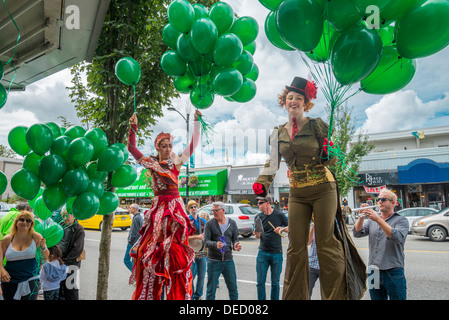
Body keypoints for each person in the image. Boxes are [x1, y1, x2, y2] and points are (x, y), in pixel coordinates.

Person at [253, 76, 366, 300]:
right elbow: (272, 163)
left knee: (325, 242)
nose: (293, 101)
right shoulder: (278, 133)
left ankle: (335, 297)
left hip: (323, 187)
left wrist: (328, 153)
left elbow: (332, 159)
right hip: (297, 192)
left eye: (298, 98)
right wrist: (262, 182)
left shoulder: (317, 125)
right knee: (296, 246)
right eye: (289, 98)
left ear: (306, 103)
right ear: (284, 102)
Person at [127, 109, 202, 300]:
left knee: (175, 249)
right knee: (150, 249)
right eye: (164, 146)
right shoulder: (151, 164)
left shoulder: (176, 163)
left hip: (174, 209)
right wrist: (133, 127)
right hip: (158, 209)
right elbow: (131, 148)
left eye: (170, 145)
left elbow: (192, 145)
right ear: (158, 148)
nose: (168, 149)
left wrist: (196, 123)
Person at [353, 189, 409, 300]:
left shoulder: (401, 220)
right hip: (373, 270)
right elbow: (357, 233)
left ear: (393, 203)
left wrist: (378, 219)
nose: (379, 202)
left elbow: (397, 237)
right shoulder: (372, 219)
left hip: (393, 270)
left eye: (383, 199)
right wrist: (361, 217)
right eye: (378, 199)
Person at [0, 211, 49, 300]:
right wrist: (2, 269)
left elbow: (45, 257)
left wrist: (43, 247)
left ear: (32, 223)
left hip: (31, 279)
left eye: (28, 220)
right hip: (9, 280)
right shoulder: (7, 239)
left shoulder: (36, 237)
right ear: (16, 223)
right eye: (21, 219)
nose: (24, 222)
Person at [204, 202, 241, 300]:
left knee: (233, 288)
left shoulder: (232, 223)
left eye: (216, 210)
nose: (214, 213)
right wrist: (215, 244)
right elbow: (206, 242)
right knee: (211, 290)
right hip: (213, 261)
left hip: (228, 261)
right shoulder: (209, 224)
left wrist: (236, 245)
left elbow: (235, 238)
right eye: (213, 210)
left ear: (223, 210)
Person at [253, 195, 288, 300]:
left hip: (277, 253)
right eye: (258, 203)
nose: (258, 205)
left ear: (268, 203)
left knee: (275, 283)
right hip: (262, 252)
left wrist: (282, 229)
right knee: (260, 283)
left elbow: (290, 228)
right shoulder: (258, 217)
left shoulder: (279, 215)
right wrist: (256, 234)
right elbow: (257, 235)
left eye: (260, 203)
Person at [58, 207, 85, 300]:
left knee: (71, 291)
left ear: (73, 215)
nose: (65, 218)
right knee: (59, 290)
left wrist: (65, 261)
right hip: (59, 263)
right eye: (63, 215)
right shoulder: (60, 226)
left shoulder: (79, 229)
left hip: (71, 265)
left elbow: (77, 249)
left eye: (67, 215)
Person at [187, 200, 207, 300]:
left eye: (195, 206)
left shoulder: (202, 221)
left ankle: (198, 295)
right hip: (191, 252)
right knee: (191, 275)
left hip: (201, 251)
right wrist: (197, 237)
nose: (194, 208)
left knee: (202, 275)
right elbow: (184, 237)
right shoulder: (186, 221)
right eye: (191, 207)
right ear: (188, 209)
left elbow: (208, 234)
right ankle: (190, 295)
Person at [124, 203, 143, 272]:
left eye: (130, 208)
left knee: (126, 260)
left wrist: (130, 241)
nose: (129, 209)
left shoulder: (136, 218)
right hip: (137, 242)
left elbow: (134, 232)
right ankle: (136, 276)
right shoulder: (139, 217)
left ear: (134, 209)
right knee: (134, 261)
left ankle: (135, 275)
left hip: (133, 243)